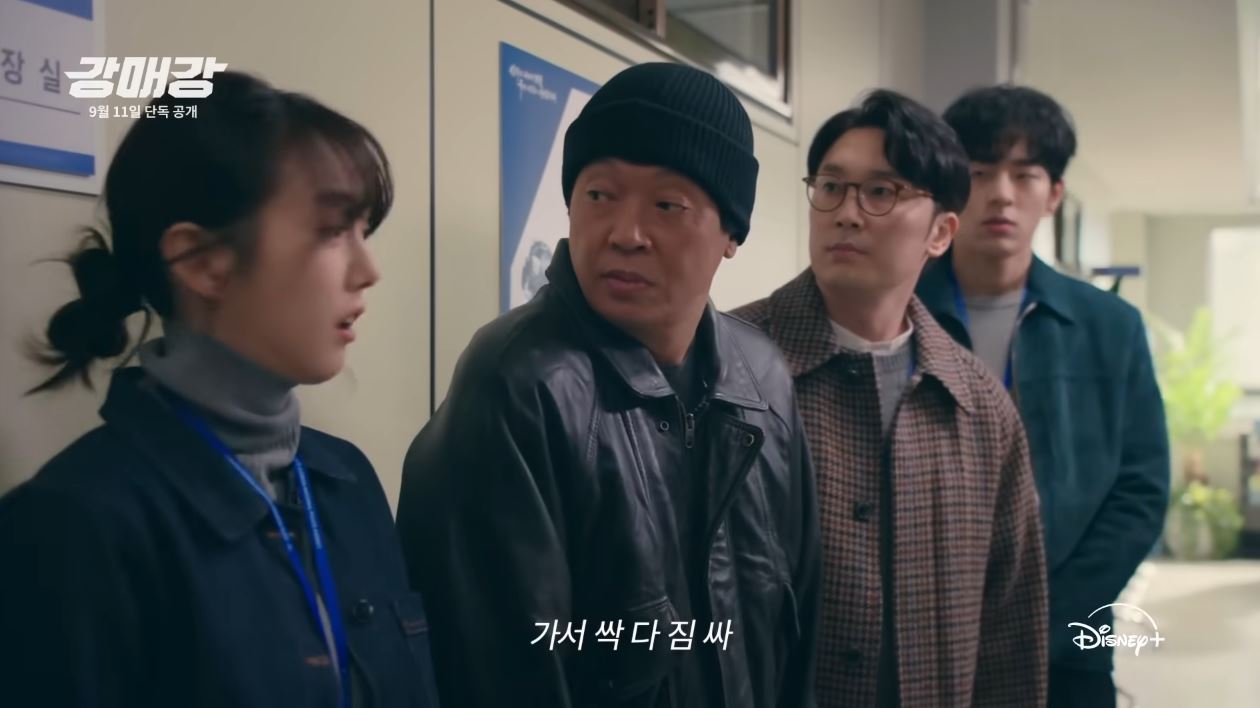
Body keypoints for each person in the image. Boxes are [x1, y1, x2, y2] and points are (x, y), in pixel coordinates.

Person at [0, 72, 440, 708]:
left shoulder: (347, 481)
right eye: (331, 231)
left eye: (363, 231)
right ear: (202, 262)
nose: (368, 270)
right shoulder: (71, 527)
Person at [397, 62, 820, 708]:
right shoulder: (520, 383)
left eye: (667, 205)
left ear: (731, 232)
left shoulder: (763, 379)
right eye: (599, 195)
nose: (625, 234)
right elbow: (500, 668)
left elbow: (797, 629)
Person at [734, 90, 1047, 707]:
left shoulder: (979, 404)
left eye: (881, 192)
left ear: (941, 232)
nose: (847, 214)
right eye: (831, 187)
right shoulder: (726, 363)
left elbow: (1010, 628)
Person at [918, 85, 1170, 708]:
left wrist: (1052, 621)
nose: (1001, 193)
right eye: (980, 172)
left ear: (1053, 193)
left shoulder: (1109, 327)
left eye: (1025, 175)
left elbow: (1139, 490)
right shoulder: (900, 310)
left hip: (1066, 649)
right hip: (921, 637)